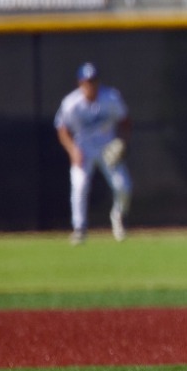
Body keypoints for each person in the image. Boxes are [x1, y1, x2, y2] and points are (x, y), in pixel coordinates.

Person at [53, 62, 132, 245]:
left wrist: (122, 142)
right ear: (80, 83)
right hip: (83, 148)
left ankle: (118, 217)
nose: (91, 85)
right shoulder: (71, 103)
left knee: (124, 187)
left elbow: (125, 121)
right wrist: (73, 150)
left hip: (107, 146)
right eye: (87, 82)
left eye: (94, 81)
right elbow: (62, 128)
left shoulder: (111, 97)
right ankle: (79, 228)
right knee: (79, 186)